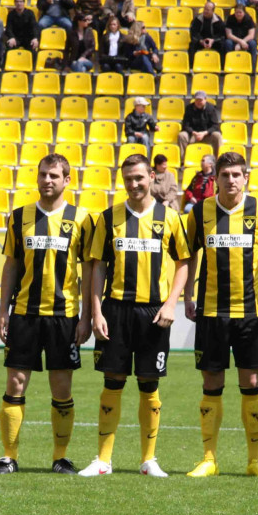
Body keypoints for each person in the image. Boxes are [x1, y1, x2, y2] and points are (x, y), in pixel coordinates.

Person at [80, 154, 190, 477]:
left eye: (139, 177)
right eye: (128, 178)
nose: (134, 184)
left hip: (153, 313)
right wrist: (97, 311)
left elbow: (183, 262)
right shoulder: (108, 218)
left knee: (149, 384)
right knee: (112, 381)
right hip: (115, 310)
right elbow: (98, 266)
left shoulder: (169, 217)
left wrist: (171, 303)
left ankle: (148, 460)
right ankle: (103, 460)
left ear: (152, 177)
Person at [183, 151, 258, 478]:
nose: (230, 180)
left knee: (251, 382)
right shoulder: (200, 211)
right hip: (211, 311)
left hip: (250, 312)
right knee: (211, 383)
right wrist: (187, 295)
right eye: (225, 175)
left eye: (236, 174)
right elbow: (190, 255)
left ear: (246, 177)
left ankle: (255, 460)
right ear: (216, 179)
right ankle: (208, 459)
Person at [0, 154, 93, 474]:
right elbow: (11, 264)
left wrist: (86, 317)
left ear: (67, 180)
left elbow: (89, 269)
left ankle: (60, 457)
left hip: (64, 316)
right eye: (43, 175)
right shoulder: (19, 216)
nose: (47, 180)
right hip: (24, 313)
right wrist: (3, 310)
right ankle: (9, 456)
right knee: (15, 383)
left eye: (54, 175)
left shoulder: (81, 218)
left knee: (61, 388)